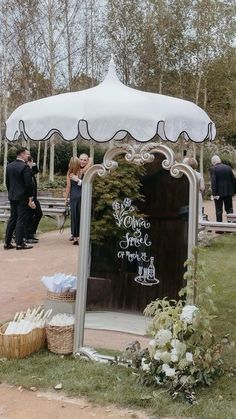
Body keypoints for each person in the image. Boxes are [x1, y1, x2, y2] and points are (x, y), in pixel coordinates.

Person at [4, 147, 36, 250]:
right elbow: (29, 184)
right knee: (21, 219)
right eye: (27, 154)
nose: (28, 156)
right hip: (22, 197)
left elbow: (7, 182)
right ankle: (19, 243)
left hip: (12, 196)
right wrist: (30, 198)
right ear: (22, 154)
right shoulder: (25, 167)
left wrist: (11, 194)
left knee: (12, 219)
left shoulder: (9, 166)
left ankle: (7, 243)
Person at [65, 153, 92, 245]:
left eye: (85, 160)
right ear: (78, 161)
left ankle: (77, 236)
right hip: (79, 196)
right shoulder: (82, 171)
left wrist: (66, 198)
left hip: (77, 197)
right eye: (81, 159)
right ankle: (76, 235)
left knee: (77, 216)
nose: (83, 161)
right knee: (77, 216)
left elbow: (68, 187)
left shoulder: (72, 172)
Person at [210, 155, 236, 222]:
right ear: (220, 160)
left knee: (219, 210)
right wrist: (234, 191)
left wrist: (214, 194)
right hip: (229, 192)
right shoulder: (228, 168)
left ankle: (220, 229)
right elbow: (233, 180)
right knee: (229, 209)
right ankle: (231, 225)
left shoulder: (213, 169)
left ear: (213, 162)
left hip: (218, 193)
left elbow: (213, 182)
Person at [24, 156, 43, 243]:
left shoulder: (30, 170)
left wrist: (33, 163)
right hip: (29, 197)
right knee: (30, 216)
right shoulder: (25, 170)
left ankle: (31, 233)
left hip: (34, 197)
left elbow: (36, 171)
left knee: (38, 214)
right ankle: (28, 235)